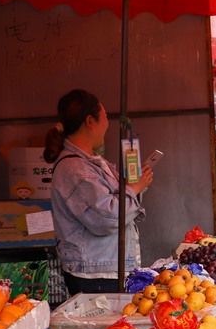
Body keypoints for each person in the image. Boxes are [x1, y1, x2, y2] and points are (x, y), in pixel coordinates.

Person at [43, 89, 153, 296]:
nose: (107, 123)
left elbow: (115, 201)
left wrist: (133, 186)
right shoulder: (76, 169)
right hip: (96, 277)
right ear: (90, 121)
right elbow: (107, 217)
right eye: (104, 117)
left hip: (105, 270)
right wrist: (134, 188)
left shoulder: (90, 162)